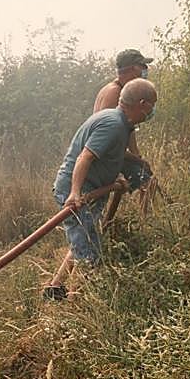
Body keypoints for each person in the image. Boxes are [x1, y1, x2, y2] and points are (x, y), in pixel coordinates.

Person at [43, 78, 158, 301]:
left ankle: (55, 289)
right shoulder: (113, 125)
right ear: (142, 104)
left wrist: (130, 169)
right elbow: (85, 156)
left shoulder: (122, 125)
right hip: (77, 192)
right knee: (89, 254)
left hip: (92, 188)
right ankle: (78, 308)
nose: (152, 111)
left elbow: (110, 154)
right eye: (152, 105)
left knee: (84, 240)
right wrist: (75, 193)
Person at [94, 48, 155, 208]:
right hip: (106, 154)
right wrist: (137, 160)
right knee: (146, 182)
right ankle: (145, 224)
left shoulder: (122, 92)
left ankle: (140, 222)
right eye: (143, 67)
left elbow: (128, 129)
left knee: (146, 177)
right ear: (133, 69)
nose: (146, 71)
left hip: (115, 152)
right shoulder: (114, 93)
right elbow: (106, 137)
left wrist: (137, 156)